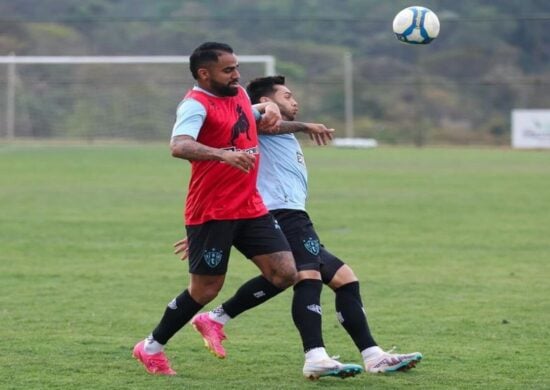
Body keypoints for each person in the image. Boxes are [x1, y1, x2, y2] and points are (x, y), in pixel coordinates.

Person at [177, 75, 423, 379]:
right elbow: (256, 121)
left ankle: (373, 356)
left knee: (345, 280)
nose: (295, 101)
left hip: (286, 214)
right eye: (287, 95)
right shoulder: (258, 121)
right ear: (266, 103)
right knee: (308, 276)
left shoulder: (273, 130)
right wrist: (305, 125)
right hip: (280, 213)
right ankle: (315, 356)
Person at [132, 43, 298, 376]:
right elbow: (178, 145)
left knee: (284, 273)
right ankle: (150, 347)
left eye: (236, 67)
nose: (237, 75)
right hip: (212, 211)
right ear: (204, 74)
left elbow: (244, 116)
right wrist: (222, 154)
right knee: (205, 289)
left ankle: (216, 319)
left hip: (250, 207)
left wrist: (267, 110)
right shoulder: (194, 105)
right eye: (228, 70)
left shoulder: (235, 94)